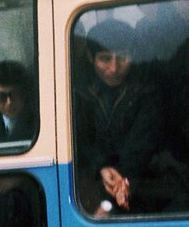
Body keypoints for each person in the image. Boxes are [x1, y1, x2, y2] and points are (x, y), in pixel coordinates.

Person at [73, 17, 175, 214]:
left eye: (122, 57)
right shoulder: (77, 92)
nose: (114, 68)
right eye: (104, 58)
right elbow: (82, 140)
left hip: (143, 182)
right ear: (89, 56)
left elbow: (141, 147)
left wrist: (110, 198)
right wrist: (101, 167)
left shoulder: (148, 89)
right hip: (95, 181)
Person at [0, 61, 38, 145]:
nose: (9, 102)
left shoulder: (38, 121)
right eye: (1, 97)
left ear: (23, 93)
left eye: (14, 94)